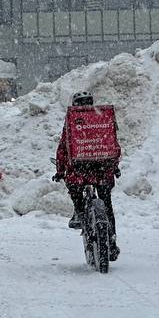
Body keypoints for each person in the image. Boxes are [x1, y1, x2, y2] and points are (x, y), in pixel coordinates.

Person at [53, 91, 121, 259]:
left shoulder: (72, 121)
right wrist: (114, 165)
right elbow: (112, 145)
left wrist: (60, 171)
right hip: (102, 171)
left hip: (79, 172)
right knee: (107, 206)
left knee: (76, 194)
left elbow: (63, 149)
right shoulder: (103, 118)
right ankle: (111, 242)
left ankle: (80, 214)